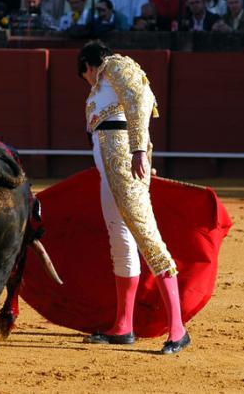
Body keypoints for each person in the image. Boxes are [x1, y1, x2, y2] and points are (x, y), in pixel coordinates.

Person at [77, 41, 190, 355]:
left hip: (126, 167)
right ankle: (123, 326)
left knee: (147, 238)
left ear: (88, 65)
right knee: (121, 242)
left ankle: (178, 330)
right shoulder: (100, 87)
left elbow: (140, 98)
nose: (87, 81)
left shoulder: (115, 66)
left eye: (84, 75)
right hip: (109, 175)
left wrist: (140, 150)